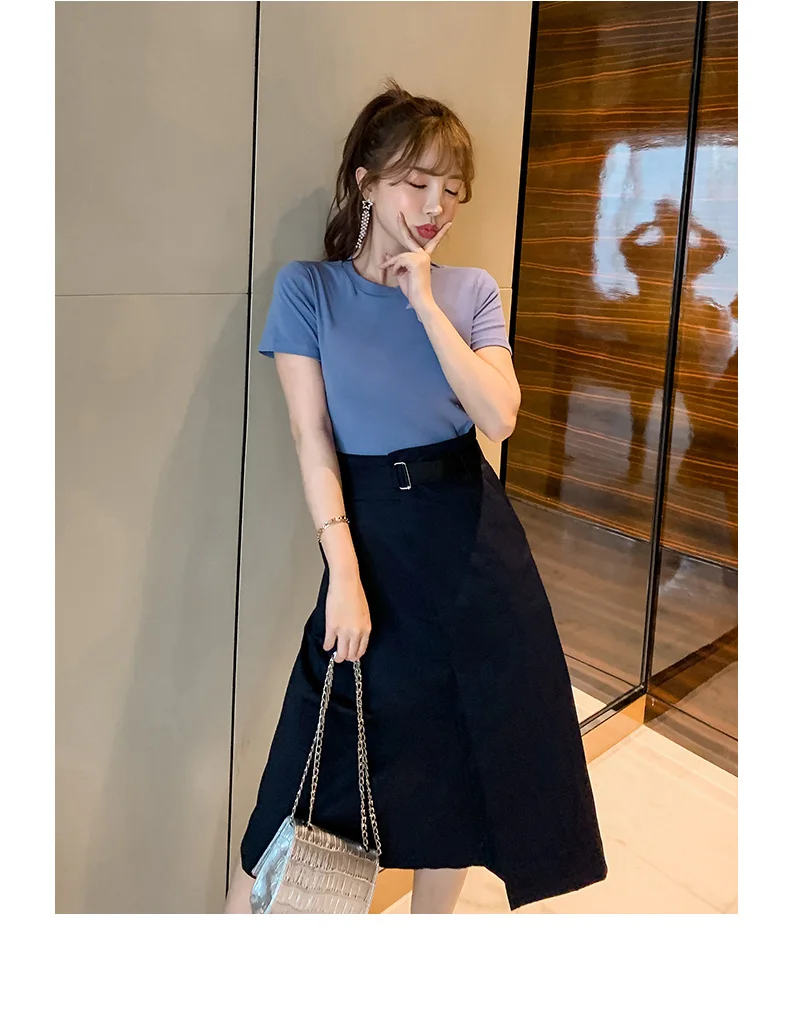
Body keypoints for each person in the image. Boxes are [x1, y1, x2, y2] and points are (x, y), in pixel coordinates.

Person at [224, 78, 608, 914]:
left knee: (461, 770)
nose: (436, 206)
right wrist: (345, 573)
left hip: (474, 548)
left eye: (452, 189)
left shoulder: (470, 292)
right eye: (417, 182)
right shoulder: (309, 290)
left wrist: (426, 303)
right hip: (370, 539)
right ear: (366, 182)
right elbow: (311, 439)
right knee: (299, 783)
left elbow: (498, 417)